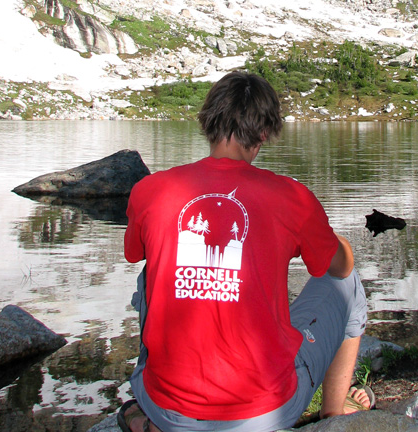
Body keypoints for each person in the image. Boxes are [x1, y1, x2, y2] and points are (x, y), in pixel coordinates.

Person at [119, 71, 370, 432]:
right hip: (263, 414)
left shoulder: (150, 189)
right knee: (350, 286)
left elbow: (134, 252)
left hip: (166, 408)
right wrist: (336, 243)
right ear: (264, 133)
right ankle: (333, 415)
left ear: (207, 122)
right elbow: (340, 268)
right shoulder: (291, 197)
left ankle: (154, 418)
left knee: (150, 273)